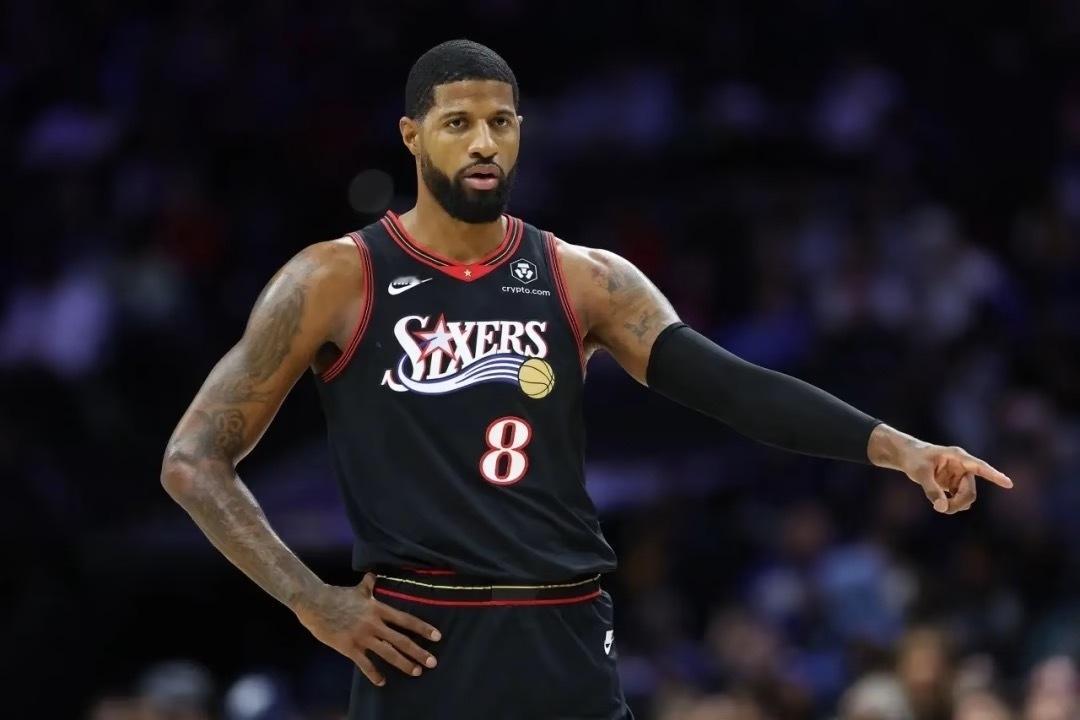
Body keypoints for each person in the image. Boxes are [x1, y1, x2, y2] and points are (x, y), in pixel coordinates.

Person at [160, 39, 1014, 720]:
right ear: (411, 135)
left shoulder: (583, 278)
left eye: (501, 122)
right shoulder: (335, 279)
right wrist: (313, 601)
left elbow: (734, 388)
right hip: (421, 638)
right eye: (458, 123)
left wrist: (902, 450)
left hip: (567, 630)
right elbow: (193, 461)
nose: (484, 143)